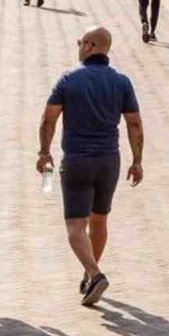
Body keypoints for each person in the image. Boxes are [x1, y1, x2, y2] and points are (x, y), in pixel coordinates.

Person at [37, 26, 143, 307]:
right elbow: (134, 123)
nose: (78, 45)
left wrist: (44, 152)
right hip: (109, 160)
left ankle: (95, 274)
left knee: (75, 226)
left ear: (90, 46)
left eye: (80, 41)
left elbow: (49, 120)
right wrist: (137, 161)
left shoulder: (69, 80)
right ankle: (87, 274)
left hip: (77, 160)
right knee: (99, 220)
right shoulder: (122, 82)